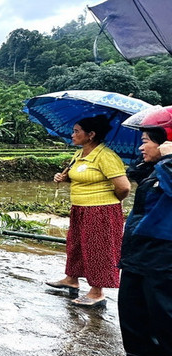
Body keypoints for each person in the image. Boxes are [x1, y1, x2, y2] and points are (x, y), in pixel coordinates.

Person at [106, 109, 172, 356]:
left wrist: (168, 160)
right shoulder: (155, 168)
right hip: (139, 247)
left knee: (165, 312)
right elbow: (131, 178)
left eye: (147, 141)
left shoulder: (169, 169)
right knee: (132, 303)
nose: (141, 146)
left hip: (164, 250)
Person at [45, 115, 131, 307]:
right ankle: (71, 279)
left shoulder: (106, 156)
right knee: (75, 245)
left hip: (100, 211)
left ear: (91, 134)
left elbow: (124, 187)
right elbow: (78, 175)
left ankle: (96, 292)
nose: (72, 134)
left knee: (97, 249)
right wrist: (63, 178)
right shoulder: (80, 154)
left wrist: (108, 201)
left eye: (77, 131)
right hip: (80, 209)